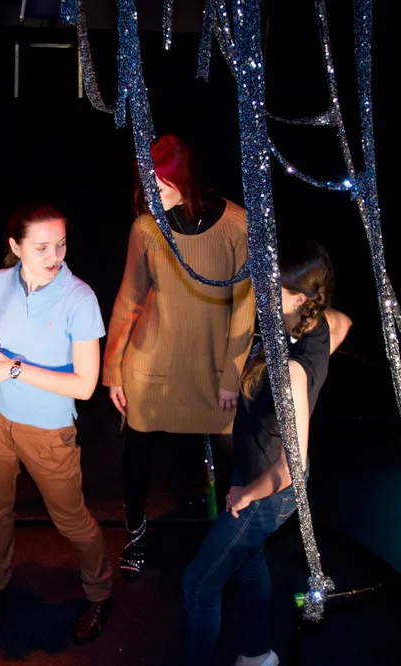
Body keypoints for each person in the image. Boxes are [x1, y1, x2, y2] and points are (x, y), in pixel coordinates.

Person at [181, 240, 352, 666]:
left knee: (199, 584)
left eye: (270, 285)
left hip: (268, 489)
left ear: (299, 298)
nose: (259, 290)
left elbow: (291, 467)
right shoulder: (317, 324)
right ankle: (257, 655)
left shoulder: (292, 371)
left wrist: (247, 494)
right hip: (256, 468)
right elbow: (343, 321)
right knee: (249, 561)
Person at [0, 202, 113, 644]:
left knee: (71, 520)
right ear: (16, 246)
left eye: (60, 245)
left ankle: (100, 592)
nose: (54, 256)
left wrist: (13, 369)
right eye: (41, 247)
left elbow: (85, 386)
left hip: (47, 431)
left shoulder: (79, 298)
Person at [103, 135, 256, 581]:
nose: (153, 194)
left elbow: (245, 306)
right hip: (150, 365)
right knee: (136, 452)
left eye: (161, 184)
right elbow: (129, 298)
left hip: (214, 368)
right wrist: (113, 370)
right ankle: (135, 532)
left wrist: (231, 375)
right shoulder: (146, 229)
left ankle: (227, 538)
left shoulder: (237, 225)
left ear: (185, 178)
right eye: (147, 186)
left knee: (231, 459)